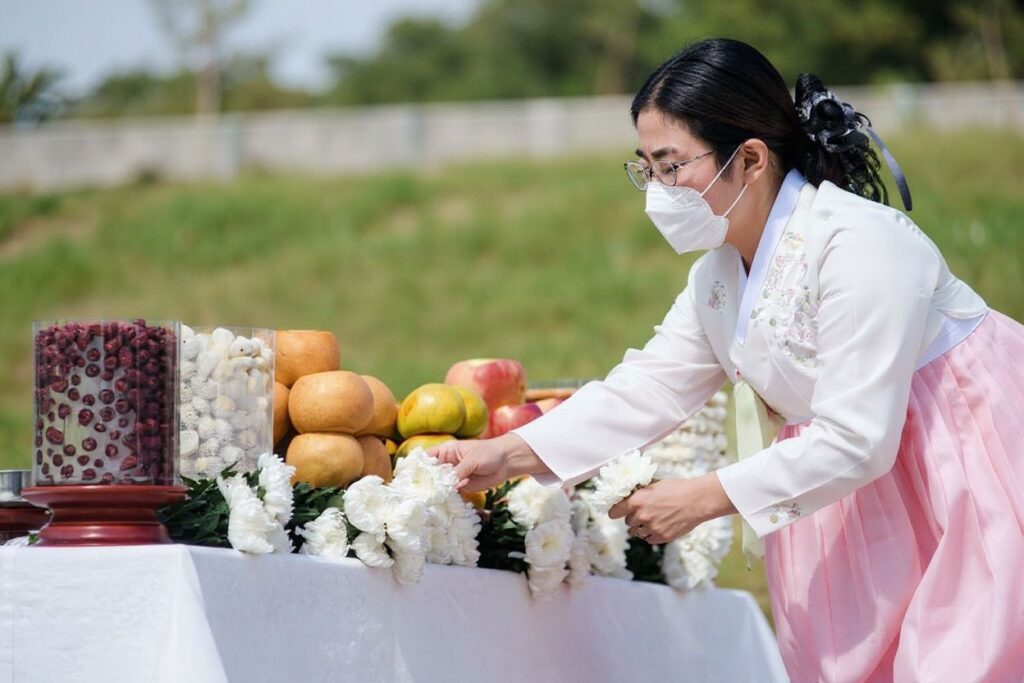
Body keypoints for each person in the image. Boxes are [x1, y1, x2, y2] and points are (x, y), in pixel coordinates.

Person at [430, 38, 1024, 682]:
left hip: (963, 464)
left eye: (671, 166)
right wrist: (507, 454)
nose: (657, 190)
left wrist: (705, 497)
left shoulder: (859, 244)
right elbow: (651, 387)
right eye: (645, 169)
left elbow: (860, 438)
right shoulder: (718, 277)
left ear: (749, 159)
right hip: (845, 496)